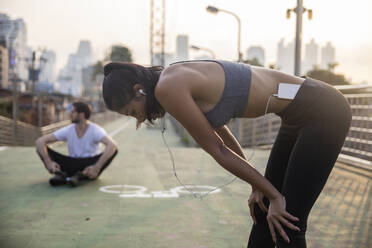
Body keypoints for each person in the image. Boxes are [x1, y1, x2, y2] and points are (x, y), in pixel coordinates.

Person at [101, 60, 351, 247]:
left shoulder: (169, 87)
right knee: (264, 213)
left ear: (139, 91)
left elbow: (217, 149)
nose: (140, 120)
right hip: (296, 116)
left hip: (323, 111)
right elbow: (223, 136)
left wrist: (273, 194)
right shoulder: (173, 78)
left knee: (289, 222)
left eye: (133, 112)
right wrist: (259, 187)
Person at [35, 101, 118, 187]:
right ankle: (63, 174)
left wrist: (97, 167)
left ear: (81, 114)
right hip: (72, 163)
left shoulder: (95, 130)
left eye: (73, 112)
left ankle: (77, 175)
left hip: (89, 165)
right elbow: (40, 141)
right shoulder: (69, 130)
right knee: (41, 148)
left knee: (114, 151)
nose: (70, 114)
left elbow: (112, 145)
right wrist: (49, 163)